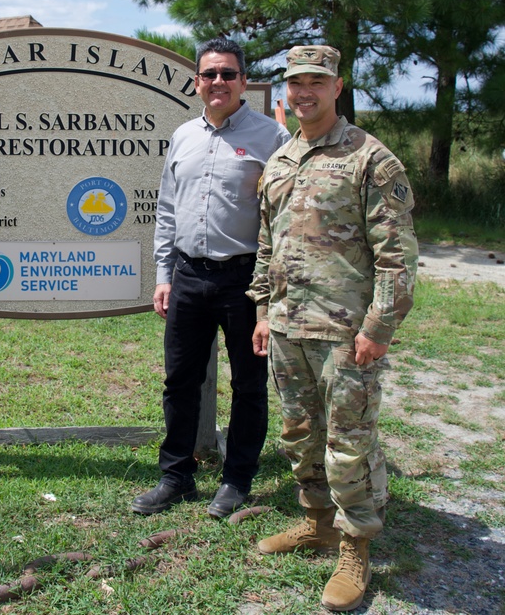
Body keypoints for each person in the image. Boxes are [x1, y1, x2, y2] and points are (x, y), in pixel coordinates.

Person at [248, 45, 417, 612]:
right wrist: (262, 312)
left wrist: (378, 329)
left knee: (349, 441)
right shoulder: (282, 158)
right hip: (289, 325)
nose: (305, 92)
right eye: (296, 82)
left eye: (317, 81)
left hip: (348, 333)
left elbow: (397, 259)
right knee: (299, 433)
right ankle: (317, 521)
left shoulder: (371, 158)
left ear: (337, 86)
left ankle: (355, 547)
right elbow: (267, 245)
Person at [132, 37, 291, 519]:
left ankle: (237, 479)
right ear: (196, 81)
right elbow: (166, 210)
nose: (217, 82)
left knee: (248, 384)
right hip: (188, 276)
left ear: (243, 81)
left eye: (227, 74)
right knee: (179, 381)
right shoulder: (183, 136)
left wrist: (269, 291)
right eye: (209, 74)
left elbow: (282, 219)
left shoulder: (273, 139)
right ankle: (176, 476)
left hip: (244, 280)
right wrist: (163, 274)